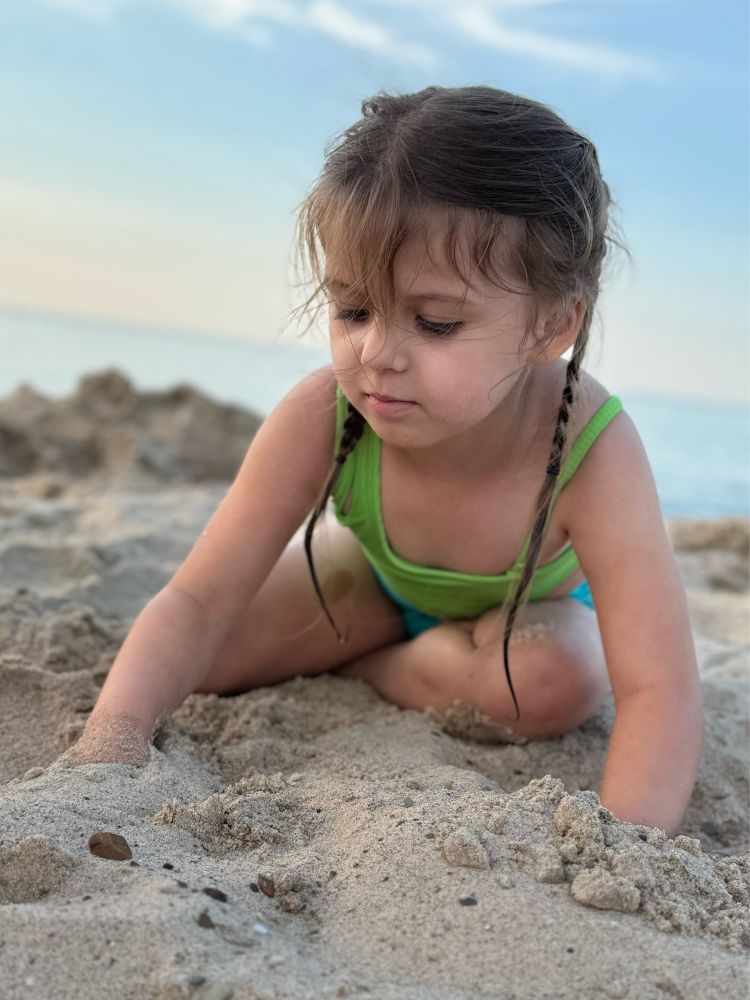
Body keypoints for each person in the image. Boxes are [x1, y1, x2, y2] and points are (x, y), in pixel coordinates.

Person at [66, 85, 703, 837]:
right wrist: (111, 743)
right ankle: (383, 641)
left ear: (552, 325)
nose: (376, 355)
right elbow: (198, 601)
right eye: (353, 310)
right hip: (364, 583)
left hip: (531, 618)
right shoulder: (323, 413)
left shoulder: (591, 448)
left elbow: (659, 688)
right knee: (194, 663)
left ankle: (383, 668)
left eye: (435, 323)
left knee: (550, 683)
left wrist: (628, 848)